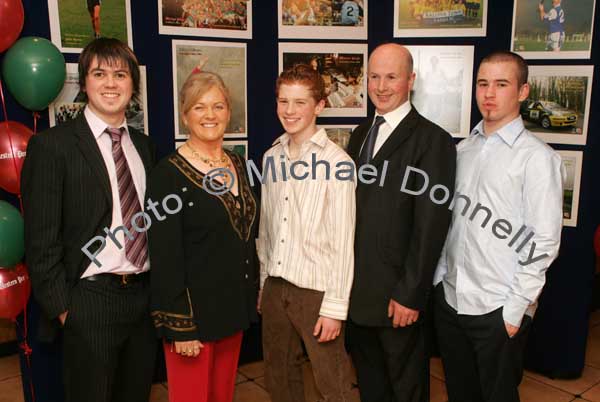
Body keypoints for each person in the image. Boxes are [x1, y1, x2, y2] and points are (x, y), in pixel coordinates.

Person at [21, 38, 156, 402]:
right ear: (84, 84)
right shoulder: (53, 146)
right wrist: (65, 310)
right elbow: (40, 240)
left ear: (133, 85)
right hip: (89, 300)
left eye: (120, 74)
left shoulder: (144, 146)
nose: (111, 83)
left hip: (142, 297)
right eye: (99, 74)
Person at [433, 51, 564, 402]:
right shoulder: (463, 151)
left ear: (522, 92)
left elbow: (545, 241)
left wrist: (514, 310)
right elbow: (451, 221)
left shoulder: (538, 159)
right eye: (482, 83)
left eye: (501, 84)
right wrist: (440, 276)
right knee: (461, 393)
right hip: (451, 300)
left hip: (497, 308)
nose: (489, 93)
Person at [345, 43, 456, 402]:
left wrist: (410, 293)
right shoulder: (360, 135)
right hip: (358, 294)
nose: (380, 86)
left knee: (406, 390)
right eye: (374, 76)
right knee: (371, 386)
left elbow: (431, 225)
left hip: (398, 299)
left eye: (391, 77)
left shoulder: (433, 140)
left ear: (411, 80)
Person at [147, 71, 258, 402]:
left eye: (218, 106)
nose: (210, 115)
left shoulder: (238, 164)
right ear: (184, 115)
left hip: (232, 310)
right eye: (199, 107)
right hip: (193, 319)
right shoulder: (166, 174)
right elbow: (165, 255)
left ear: (228, 112)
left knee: (222, 395)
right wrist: (180, 326)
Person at [257, 64, 359, 402]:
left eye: (300, 102)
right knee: (279, 377)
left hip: (316, 293)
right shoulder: (271, 156)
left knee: (333, 381)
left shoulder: (338, 163)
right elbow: (267, 229)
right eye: (283, 101)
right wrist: (263, 283)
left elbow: (344, 242)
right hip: (276, 286)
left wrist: (334, 307)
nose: (289, 111)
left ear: (319, 106)